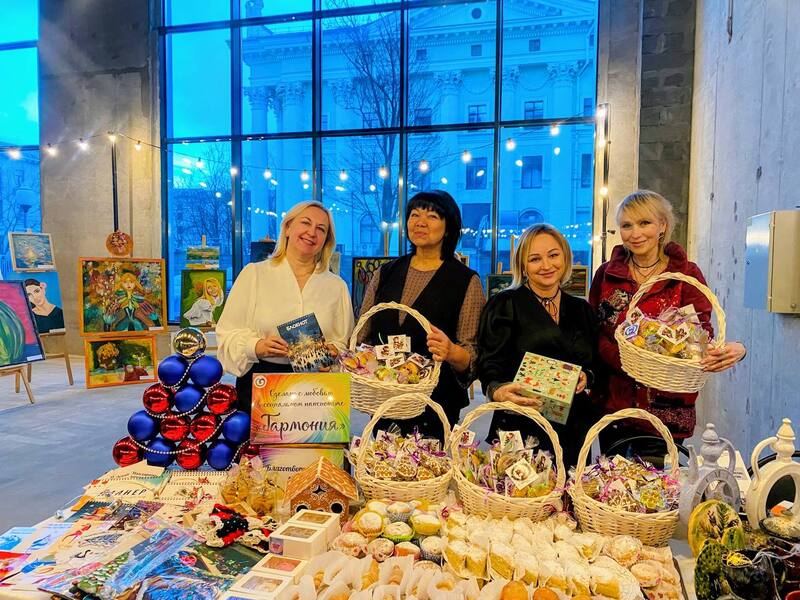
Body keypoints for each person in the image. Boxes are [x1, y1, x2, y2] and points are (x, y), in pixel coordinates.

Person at [589, 190, 746, 450]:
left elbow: (700, 334)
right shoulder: (607, 274)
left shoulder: (686, 274)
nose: (635, 233)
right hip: (614, 403)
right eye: (627, 225)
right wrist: (626, 359)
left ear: (662, 225)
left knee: (659, 473)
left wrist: (730, 350)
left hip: (667, 407)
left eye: (644, 223)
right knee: (612, 472)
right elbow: (594, 330)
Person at [359, 190, 485, 440]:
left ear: (448, 228)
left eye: (432, 216)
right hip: (386, 399)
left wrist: (451, 351)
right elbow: (362, 335)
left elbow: (472, 355)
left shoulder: (465, 280)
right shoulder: (385, 273)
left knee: (428, 464)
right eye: (414, 215)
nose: (420, 222)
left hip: (436, 403)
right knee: (382, 463)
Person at [477, 224, 598, 467]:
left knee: (569, 487)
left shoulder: (582, 309)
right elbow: (488, 362)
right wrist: (497, 390)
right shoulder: (504, 304)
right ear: (523, 265)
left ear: (565, 257)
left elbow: (594, 363)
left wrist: (587, 376)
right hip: (520, 420)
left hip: (572, 426)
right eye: (535, 259)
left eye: (553, 255)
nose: (546, 265)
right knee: (521, 487)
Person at [216, 200, 354, 413]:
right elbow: (226, 333)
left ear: (326, 240)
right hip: (261, 386)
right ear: (288, 228)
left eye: (321, 229)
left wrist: (334, 352)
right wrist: (255, 346)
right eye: (305, 223)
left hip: (317, 391)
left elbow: (345, 343)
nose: (312, 232)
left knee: (315, 436)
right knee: (262, 437)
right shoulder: (254, 275)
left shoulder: (337, 286)